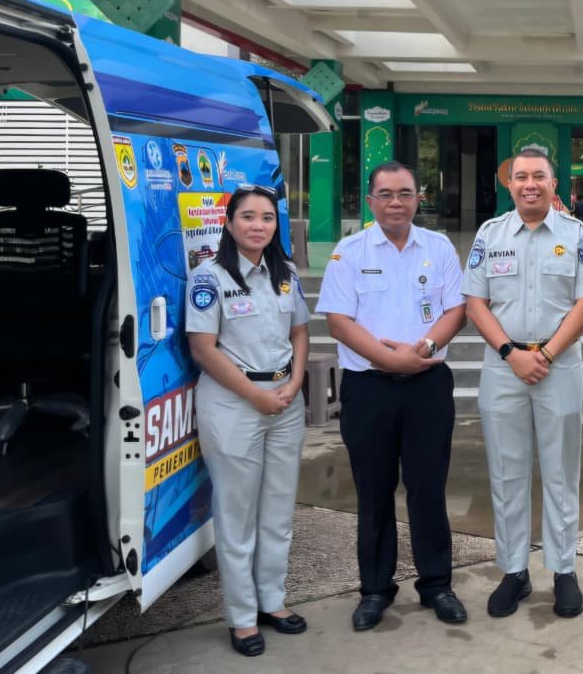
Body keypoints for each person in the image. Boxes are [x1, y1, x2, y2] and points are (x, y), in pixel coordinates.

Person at [316, 162, 468, 631]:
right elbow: (338, 321)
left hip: (427, 385)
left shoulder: (439, 248)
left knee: (428, 489)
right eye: (385, 194)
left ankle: (437, 584)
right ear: (370, 201)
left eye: (405, 193)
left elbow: (457, 310)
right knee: (373, 492)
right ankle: (375, 590)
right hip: (368, 389)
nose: (395, 203)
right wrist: (389, 360)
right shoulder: (349, 252)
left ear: (419, 198)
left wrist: (423, 349)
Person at [463, 146, 583, 619]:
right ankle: (514, 570)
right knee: (507, 471)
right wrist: (511, 353)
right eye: (520, 176)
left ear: (553, 184)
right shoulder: (490, 234)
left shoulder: (576, 234)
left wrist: (543, 355)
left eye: (539, 176)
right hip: (503, 366)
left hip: (557, 365)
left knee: (561, 472)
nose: (529, 184)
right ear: (509, 184)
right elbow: (475, 302)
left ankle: (564, 570)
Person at [186, 184, 310, 657]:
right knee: (236, 515)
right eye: (248, 217)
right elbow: (203, 349)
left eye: (267, 218)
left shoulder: (285, 273)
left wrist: (294, 383)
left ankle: (272, 601)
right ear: (229, 223)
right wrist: (255, 395)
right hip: (234, 404)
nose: (259, 226)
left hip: (284, 400)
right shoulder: (209, 277)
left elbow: (300, 332)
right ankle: (241, 618)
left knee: (277, 510)